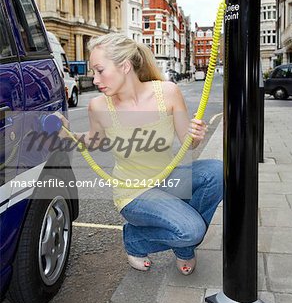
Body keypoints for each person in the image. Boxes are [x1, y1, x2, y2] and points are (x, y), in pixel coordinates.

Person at [58, 34, 222, 275]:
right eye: (94, 72)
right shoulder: (99, 106)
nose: (95, 79)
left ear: (125, 67)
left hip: (169, 177)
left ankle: (182, 240)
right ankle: (139, 241)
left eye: (100, 70)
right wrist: (66, 133)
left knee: (217, 172)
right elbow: (94, 141)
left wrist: (196, 135)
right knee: (192, 230)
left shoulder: (167, 92)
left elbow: (190, 145)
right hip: (134, 192)